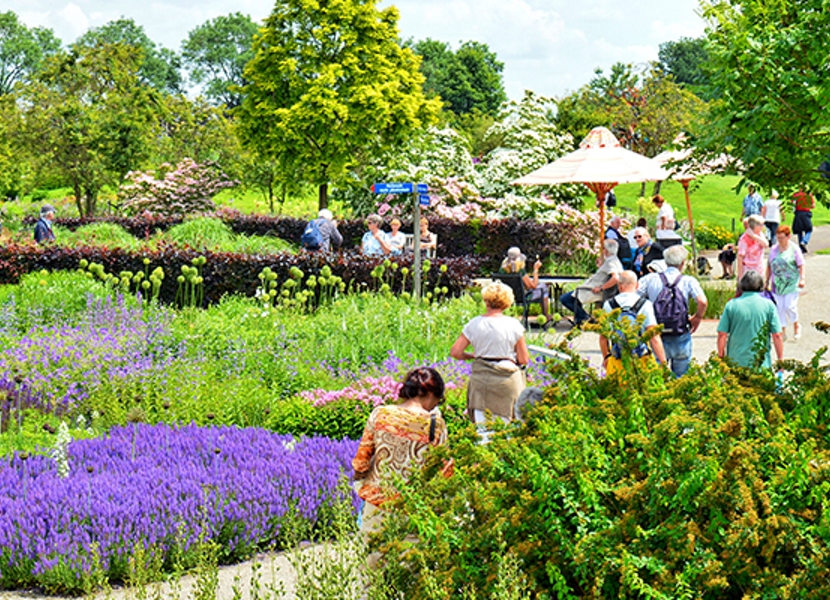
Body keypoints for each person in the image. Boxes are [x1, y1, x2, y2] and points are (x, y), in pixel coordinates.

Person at [352, 367, 448, 533]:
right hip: (413, 512)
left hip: (376, 509)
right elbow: (443, 471)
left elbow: (361, 462)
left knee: (373, 556)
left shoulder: (380, 414)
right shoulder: (436, 425)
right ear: (432, 395)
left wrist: (363, 484)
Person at [450, 280, 528, 425]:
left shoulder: (474, 324)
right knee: (509, 430)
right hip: (507, 382)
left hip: (482, 381)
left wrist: (472, 356)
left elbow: (456, 352)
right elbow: (524, 359)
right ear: (507, 303)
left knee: (483, 430)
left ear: (486, 302)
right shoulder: (514, 325)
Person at [637, 245, 708, 377]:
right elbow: (702, 301)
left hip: (657, 334)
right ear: (683, 263)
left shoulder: (650, 279)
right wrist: (697, 317)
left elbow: (634, 296)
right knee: (682, 378)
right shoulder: (688, 281)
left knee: (656, 377)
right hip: (680, 333)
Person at [600, 270, 666, 377]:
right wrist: (663, 363)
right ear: (637, 285)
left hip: (617, 361)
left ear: (619, 286)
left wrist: (606, 357)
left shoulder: (609, 305)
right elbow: (654, 336)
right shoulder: (645, 305)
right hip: (641, 361)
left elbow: (603, 337)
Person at [717, 270, 784, 370]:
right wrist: (780, 361)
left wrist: (721, 357)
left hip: (735, 363)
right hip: (761, 364)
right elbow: (777, 335)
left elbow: (722, 334)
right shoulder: (769, 305)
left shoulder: (731, 305)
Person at [560, 239, 623, 326]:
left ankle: (584, 317)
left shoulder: (610, 262)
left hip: (593, 291)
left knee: (565, 299)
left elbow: (615, 278)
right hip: (593, 290)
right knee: (573, 299)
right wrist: (600, 267)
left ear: (606, 250)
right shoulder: (615, 261)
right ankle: (581, 319)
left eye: (603, 248)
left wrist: (601, 287)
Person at [766, 225, 805, 341]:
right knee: (780, 308)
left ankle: (796, 325)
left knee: (789, 306)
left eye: (782, 238)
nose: (780, 240)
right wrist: (766, 280)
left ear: (788, 236)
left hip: (792, 283)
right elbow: (769, 266)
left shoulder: (794, 249)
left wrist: (802, 278)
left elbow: (801, 264)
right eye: (778, 238)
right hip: (777, 284)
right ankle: (782, 330)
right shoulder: (773, 249)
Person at [499, 246, 551, 323]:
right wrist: (535, 270)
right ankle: (546, 316)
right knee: (543, 288)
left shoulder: (502, 270)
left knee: (541, 287)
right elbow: (533, 286)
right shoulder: (520, 271)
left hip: (507, 296)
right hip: (523, 297)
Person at [737, 214, 769, 282]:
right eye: (761, 225)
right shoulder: (744, 239)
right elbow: (740, 257)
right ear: (755, 225)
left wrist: (754, 236)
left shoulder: (759, 234)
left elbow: (766, 244)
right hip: (748, 269)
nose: (762, 227)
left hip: (759, 268)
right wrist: (740, 276)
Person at [792, 189, 815, 253]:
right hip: (806, 213)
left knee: (799, 231)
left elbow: (793, 205)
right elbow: (813, 205)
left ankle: (801, 247)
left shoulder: (795, 195)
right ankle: (804, 241)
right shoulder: (808, 195)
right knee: (809, 229)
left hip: (798, 213)